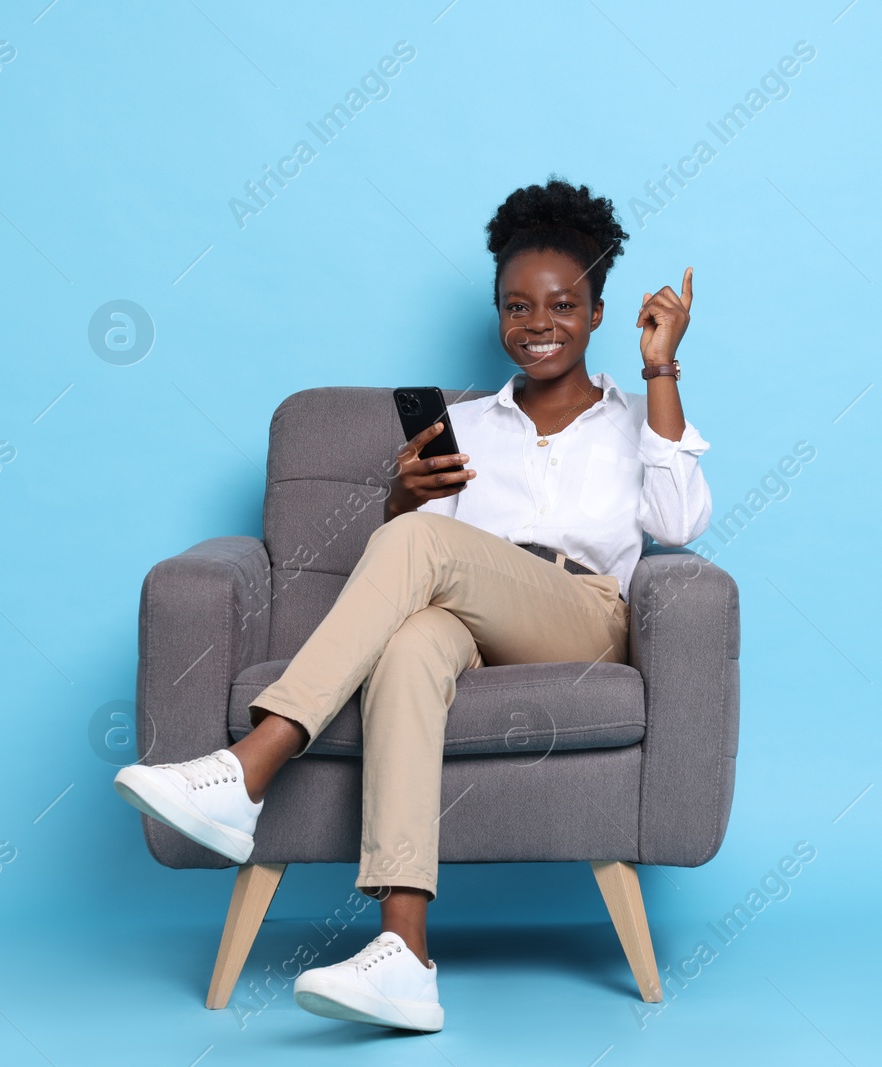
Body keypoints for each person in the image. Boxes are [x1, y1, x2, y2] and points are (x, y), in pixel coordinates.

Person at [113, 178, 712, 1032]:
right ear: (497, 313)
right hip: (475, 615)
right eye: (515, 306)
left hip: (583, 614)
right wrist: (403, 499)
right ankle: (405, 957)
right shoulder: (475, 426)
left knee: (421, 552)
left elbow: (680, 521)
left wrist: (662, 368)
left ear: (600, 311)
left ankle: (251, 766)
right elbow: (426, 562)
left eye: (561, 305)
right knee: (412, 644)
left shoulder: (631, 417)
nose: (536, 324)